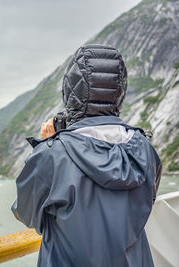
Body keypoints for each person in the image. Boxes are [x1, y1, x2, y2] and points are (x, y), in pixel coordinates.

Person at [11, 44, 162, 267]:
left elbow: (26, 214)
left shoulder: (52, 155)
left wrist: (45, 145)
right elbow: (145, 201)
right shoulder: (144, 150)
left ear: (71, 91)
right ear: (119, 92)